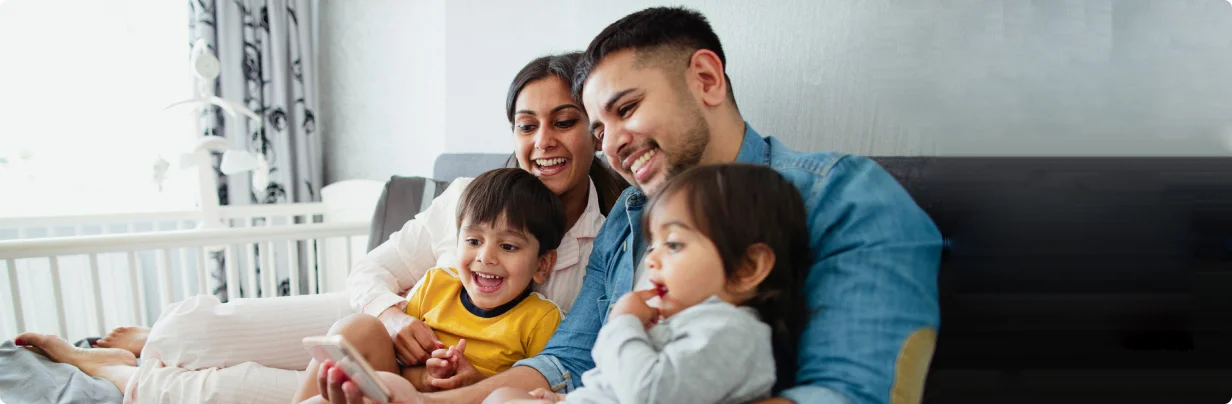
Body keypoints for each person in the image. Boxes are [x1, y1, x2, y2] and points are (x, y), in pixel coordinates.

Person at [315, 6, 941, 404]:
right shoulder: (630, 218)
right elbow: (568, 359)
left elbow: (851, 392)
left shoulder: (839, 196)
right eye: (598, 126)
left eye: (626, 109)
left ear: (706, 79)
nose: (610, 143)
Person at [13, 51, 625, 404]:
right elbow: (373, 272)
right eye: (525, 124)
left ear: (593, 129)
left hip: (438, 373)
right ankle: (153, 343)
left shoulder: (610, 238)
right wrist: (393, 316)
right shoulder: (471, 197)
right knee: (190, 328)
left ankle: (118, 374)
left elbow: (556, 362)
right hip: (388, 319)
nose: (542, 141)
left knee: (240, 390)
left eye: (563, 121)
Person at [487, 163, 810, 404]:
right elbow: (621, 381)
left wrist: (623, 321)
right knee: (501, 398)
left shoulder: (731, 332)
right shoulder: (683, 320)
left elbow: (647, 394)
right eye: (652, 245)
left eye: (674, 245)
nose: (652, 260)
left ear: (746, 267)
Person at [295, 168, 569, 402]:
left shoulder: (541, 319)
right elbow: (397, 365)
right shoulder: (436, 285)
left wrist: (474, 380)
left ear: (542, 264)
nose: (485, 257)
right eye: (473, 241)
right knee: (356, 328)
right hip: (405, 395)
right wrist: (428, 377)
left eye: (508, 246)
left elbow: (535, 390)